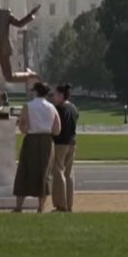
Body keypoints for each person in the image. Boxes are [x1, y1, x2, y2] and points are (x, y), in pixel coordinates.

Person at [13, 82, 61, 213]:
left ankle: (19, 206)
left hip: (31, 139)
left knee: (25, 171)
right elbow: (57, 130)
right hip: (46, 140)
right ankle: (41, 206)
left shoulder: (28, 106)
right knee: (44, 173)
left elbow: (23, 127)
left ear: (35, 92)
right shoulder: (52, 108)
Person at [51, 84, 79, 212]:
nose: (53, 97)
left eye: (55, 94)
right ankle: (69, 203)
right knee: (69, 173)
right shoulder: (73, 108)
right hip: (72, 142)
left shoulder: (59, 108)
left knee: (58, 172)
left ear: (61, 95)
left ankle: (61, 204)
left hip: (60, 143)